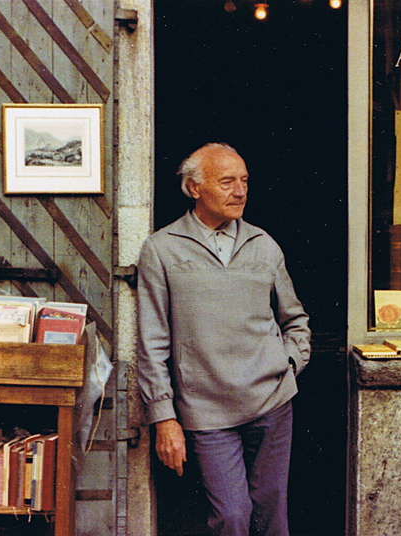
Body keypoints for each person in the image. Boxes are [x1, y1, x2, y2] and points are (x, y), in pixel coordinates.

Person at [136, 142, 311, 536]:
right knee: (231, 516)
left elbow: (294, 318)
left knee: (271, 515)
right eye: (227, 181)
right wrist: (163, 417)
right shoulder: (161, 249)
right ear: (195, 188)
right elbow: (151, 341)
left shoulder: (263, 244)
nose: (240, 191)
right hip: (205, 410)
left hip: (271, 401)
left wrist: (288, 365)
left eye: (245, 181)